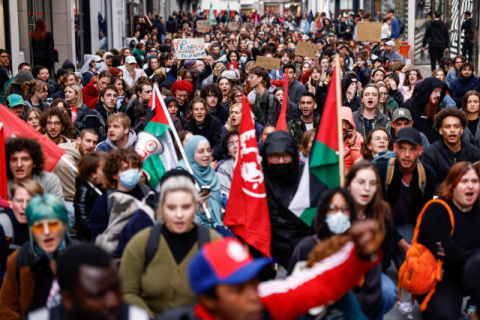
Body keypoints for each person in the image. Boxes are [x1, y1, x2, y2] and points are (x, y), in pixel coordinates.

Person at [157, 222, 384, 320]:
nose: (253, 296)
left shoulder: (267, 300)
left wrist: (359, 254)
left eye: (253, 281)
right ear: (208, 299)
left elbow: (319, 283)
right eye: (238, 289)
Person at [120, 173, 222, 317]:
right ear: (161, 207)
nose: (179, 214)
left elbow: (227, 291)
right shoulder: (141, 243)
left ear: (195, 206)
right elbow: (127, 290)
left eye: (186, 207)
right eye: (171, 208)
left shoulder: (214, 243)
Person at [288, 188, 382, 319]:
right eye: (333, 208)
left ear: (352, 213)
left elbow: (372, 296)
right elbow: (291, 291)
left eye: (345, 208)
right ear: (323, 212)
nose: (339, 214)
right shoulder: (306, 247)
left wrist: (341, 300)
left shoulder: (362, 248)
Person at [417, 162, 480, 319]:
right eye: (464, 181)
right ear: (452, 185)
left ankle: (474, 305)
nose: (470, 186)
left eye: (475, 181)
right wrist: (475, 258)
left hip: (472, 273)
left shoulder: (478, 209)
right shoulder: (437, 209)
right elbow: (446, 250)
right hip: (441, 276)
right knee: (445, 315)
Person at [24, 244, 150, 320]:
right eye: (99, 295)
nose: (113, 302)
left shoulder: (137, 317)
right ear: (67, 299)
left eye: (116, 288)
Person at [0, 194, 73, 319]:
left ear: (64, 226)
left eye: (53, 224)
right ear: (31, 231)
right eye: (38, 227)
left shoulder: (83, 257)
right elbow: (7, 309)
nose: (46, 232)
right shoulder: (19, 259)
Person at [374, 127, 437, 270]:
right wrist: (402, 244)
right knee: (379, 268)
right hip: (380, 223)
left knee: (411, 270)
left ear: (420, 151)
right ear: (395, 148)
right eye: (402, 148)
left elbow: (422, 214)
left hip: (406, 223)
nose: (407, 154)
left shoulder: (428, 176)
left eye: (412, 149)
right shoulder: (381, 170)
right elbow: (377, 213)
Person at [345, 161, 398, 318]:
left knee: (388, 292)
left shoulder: (383, 212)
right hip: (339, 271)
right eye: (360, 182)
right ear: (349, 185)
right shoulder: (336, 207)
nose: (367, 188)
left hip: (372, 271)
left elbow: (387, 253)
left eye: (372, 183)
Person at [261, 131, 309, 268]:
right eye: (275, 156)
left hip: (302, 242)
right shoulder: (257, 179)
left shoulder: (306, 175)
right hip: (268, 243)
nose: (281, 161)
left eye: (286, 156)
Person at [175, 136, 230, 236]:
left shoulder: (212, 174)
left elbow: (219, 204)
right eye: (201, 151)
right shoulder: (182, 174)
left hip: (217, 226)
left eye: (209, 150)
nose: (206, 155)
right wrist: (200, 210)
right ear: (191, 153)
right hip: (193, 231)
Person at [52, 128, 99, 228]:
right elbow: (75, 195)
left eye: (94, 142)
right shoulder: (66, 162)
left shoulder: (85, 155)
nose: (91, 146)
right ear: (78, 140)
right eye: (88, 141)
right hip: (61, 201)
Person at [0, 181, 43, 285]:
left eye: (30, 202)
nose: (24, 207)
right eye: (19, 201)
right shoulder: (2, 225)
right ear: (11, 203)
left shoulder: (44, 226)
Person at [422, 108, 480, 185]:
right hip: (441, 196)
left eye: (456, 126)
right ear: (440, 130)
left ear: (462, 129)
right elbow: (430, 185)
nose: (452, 130)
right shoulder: (430, 154)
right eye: (447, 127)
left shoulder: (474, 152)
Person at [403, 77, 448, 143]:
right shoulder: (407, 108)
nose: (438, 95)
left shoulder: (440, 112)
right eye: (436, 91)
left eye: (440, 92)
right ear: (427, 91)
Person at [217, 131, 238, 201]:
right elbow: (226, 196)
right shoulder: (223, 169)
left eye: (238, 142)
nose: (235, 146)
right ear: (228, 152)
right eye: (231, 144)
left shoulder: (259, 161)